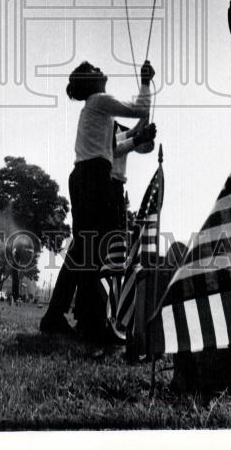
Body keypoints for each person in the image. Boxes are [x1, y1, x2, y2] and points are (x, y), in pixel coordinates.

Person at [40, 59, 155, 344]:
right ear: (91, 82)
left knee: (86, 250)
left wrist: (137, 136)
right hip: (94, 177)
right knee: (94, 251)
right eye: (94, 70)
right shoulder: (101, 100)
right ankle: (87, 322)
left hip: (86, 175)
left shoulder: (95, 107)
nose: (100, 70)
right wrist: (144, 82)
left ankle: (71, 319)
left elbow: (114, 146)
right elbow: (140, 110)